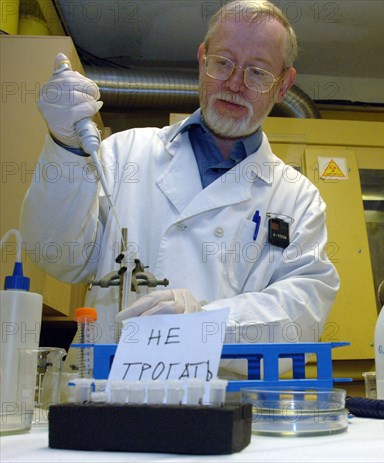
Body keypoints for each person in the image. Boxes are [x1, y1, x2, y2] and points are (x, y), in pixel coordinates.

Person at [21, 0, 340, 376]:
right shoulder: (126, 153)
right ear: (202, 59)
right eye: (223, 62)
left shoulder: (297, 198)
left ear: (283, 84)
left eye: (256, 72)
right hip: (107, 401)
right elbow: (55, 254)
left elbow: (301, 317)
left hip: (225, 412)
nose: (235, 84)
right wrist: (64, 149)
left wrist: (205, 322)